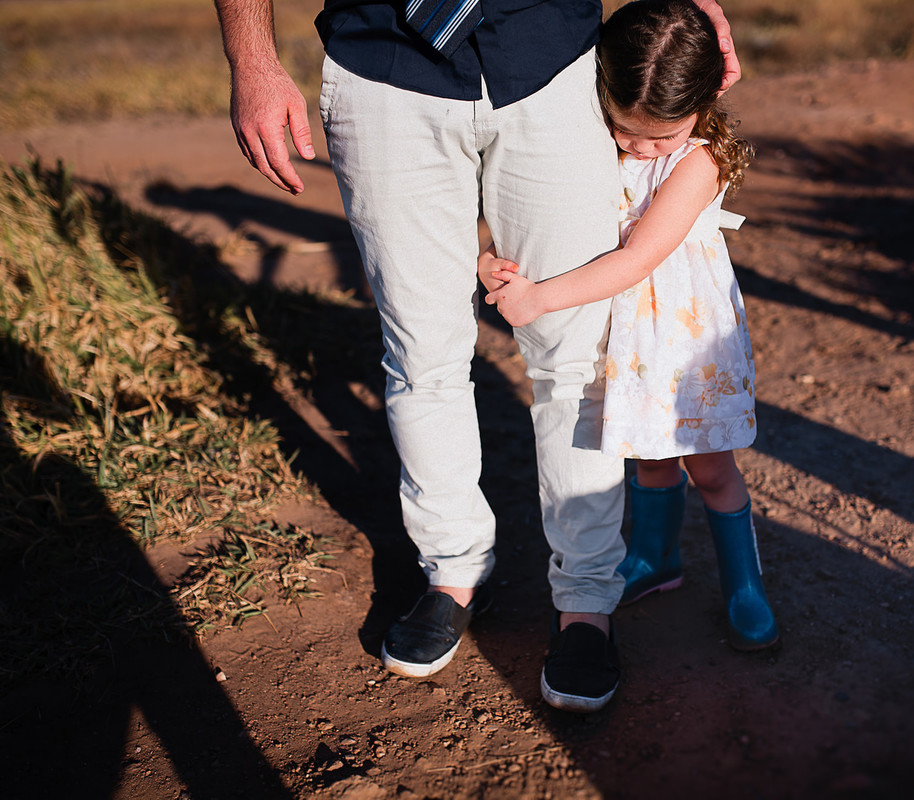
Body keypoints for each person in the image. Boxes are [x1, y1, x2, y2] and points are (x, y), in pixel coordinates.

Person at [212, 0, 743, 712]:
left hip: (551, 61)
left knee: (575, 357)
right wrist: (252, 58)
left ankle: (586, 600)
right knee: (420, 350)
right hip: (383, 68)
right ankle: (453, 571)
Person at [482, 0, 779, 651]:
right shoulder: (602, 136)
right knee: (648, 458)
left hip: (681, 339)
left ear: (701, 107)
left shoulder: (699, 163)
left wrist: (540, 299)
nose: (639, 147)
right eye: (624, 129)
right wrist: (493, 255)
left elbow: (637, 257)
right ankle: (654, 560)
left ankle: (745, 586)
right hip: (628, 337)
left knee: (710, 468)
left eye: (658, 137)